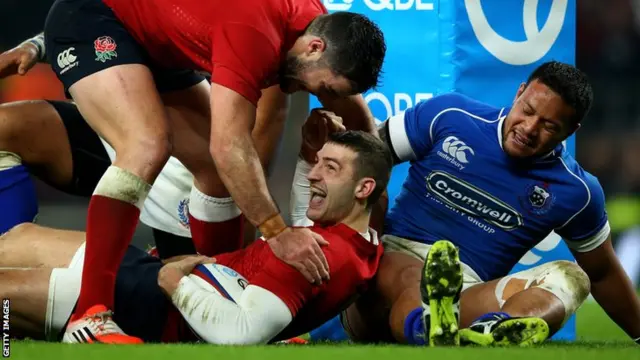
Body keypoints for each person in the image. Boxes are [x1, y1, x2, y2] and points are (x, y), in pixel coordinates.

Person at [40, 0, 386, 343]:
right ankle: (90, 315)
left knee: (220, 176)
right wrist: (278, 234)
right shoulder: (254, 33)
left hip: (157, 46)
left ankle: (223, 288)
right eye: (322, 89)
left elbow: (355, 118)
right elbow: (229, 145)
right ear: (315, 48)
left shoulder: (316, 30)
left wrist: (373, 204)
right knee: (147, 144)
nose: (317, 95)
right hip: (95, 18)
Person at [297, 61, 640, 347]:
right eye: (528, 110)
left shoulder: (576, 190)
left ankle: (489, 332)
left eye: (549, 126)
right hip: (386, 271)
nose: (529, 128)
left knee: (572, 276)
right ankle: (427, 328)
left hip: (468, 294)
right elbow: (365, 159)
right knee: (411, 268)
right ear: (519, 92)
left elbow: (603, 272)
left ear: (571, 131)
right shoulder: (450, 116)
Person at [0, 130, 393, 345]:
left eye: (331, 168)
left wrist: (175, 283)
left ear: (363, 189)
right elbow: (311, 218)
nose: (313, 175)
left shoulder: (320, 255)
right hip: (149, 275)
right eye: (317, 165)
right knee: (18, 236)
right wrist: (313, 153)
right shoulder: (360, 242)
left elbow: (241, 334)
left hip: (146, 308)